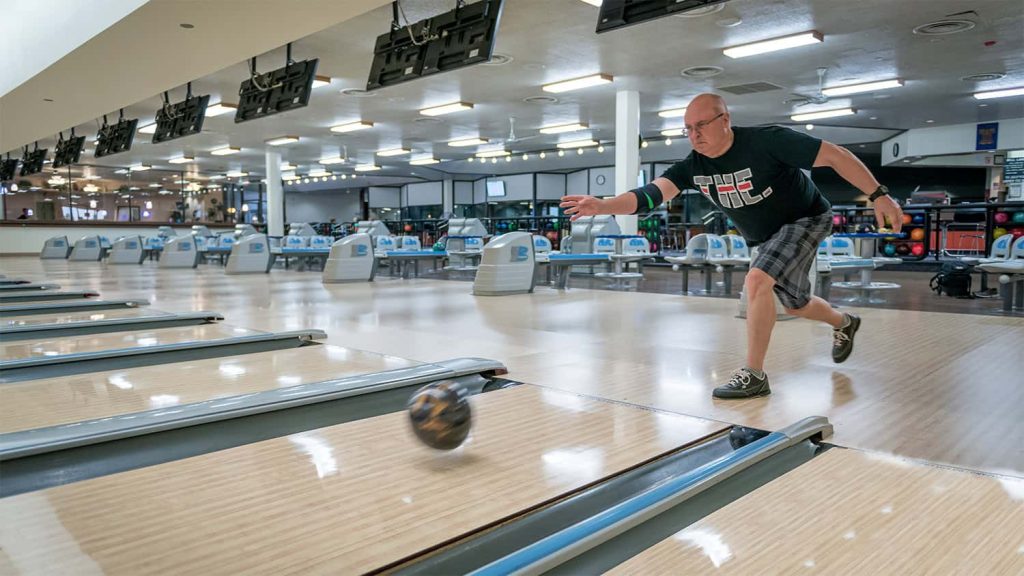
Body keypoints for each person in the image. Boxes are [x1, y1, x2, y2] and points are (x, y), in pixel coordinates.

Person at [560, 93, 903, 399]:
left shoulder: (768, 141)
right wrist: (604, 205)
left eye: (701, 126)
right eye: (688, 129)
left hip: (807, 219)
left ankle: (753, 375)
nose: (694, 135)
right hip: (768, 237)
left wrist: (878, 194)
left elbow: (836, 156)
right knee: (796, 303)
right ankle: (844, 322)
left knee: (757, 280)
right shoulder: (694, 166)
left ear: (725, 120)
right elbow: (649, 195)